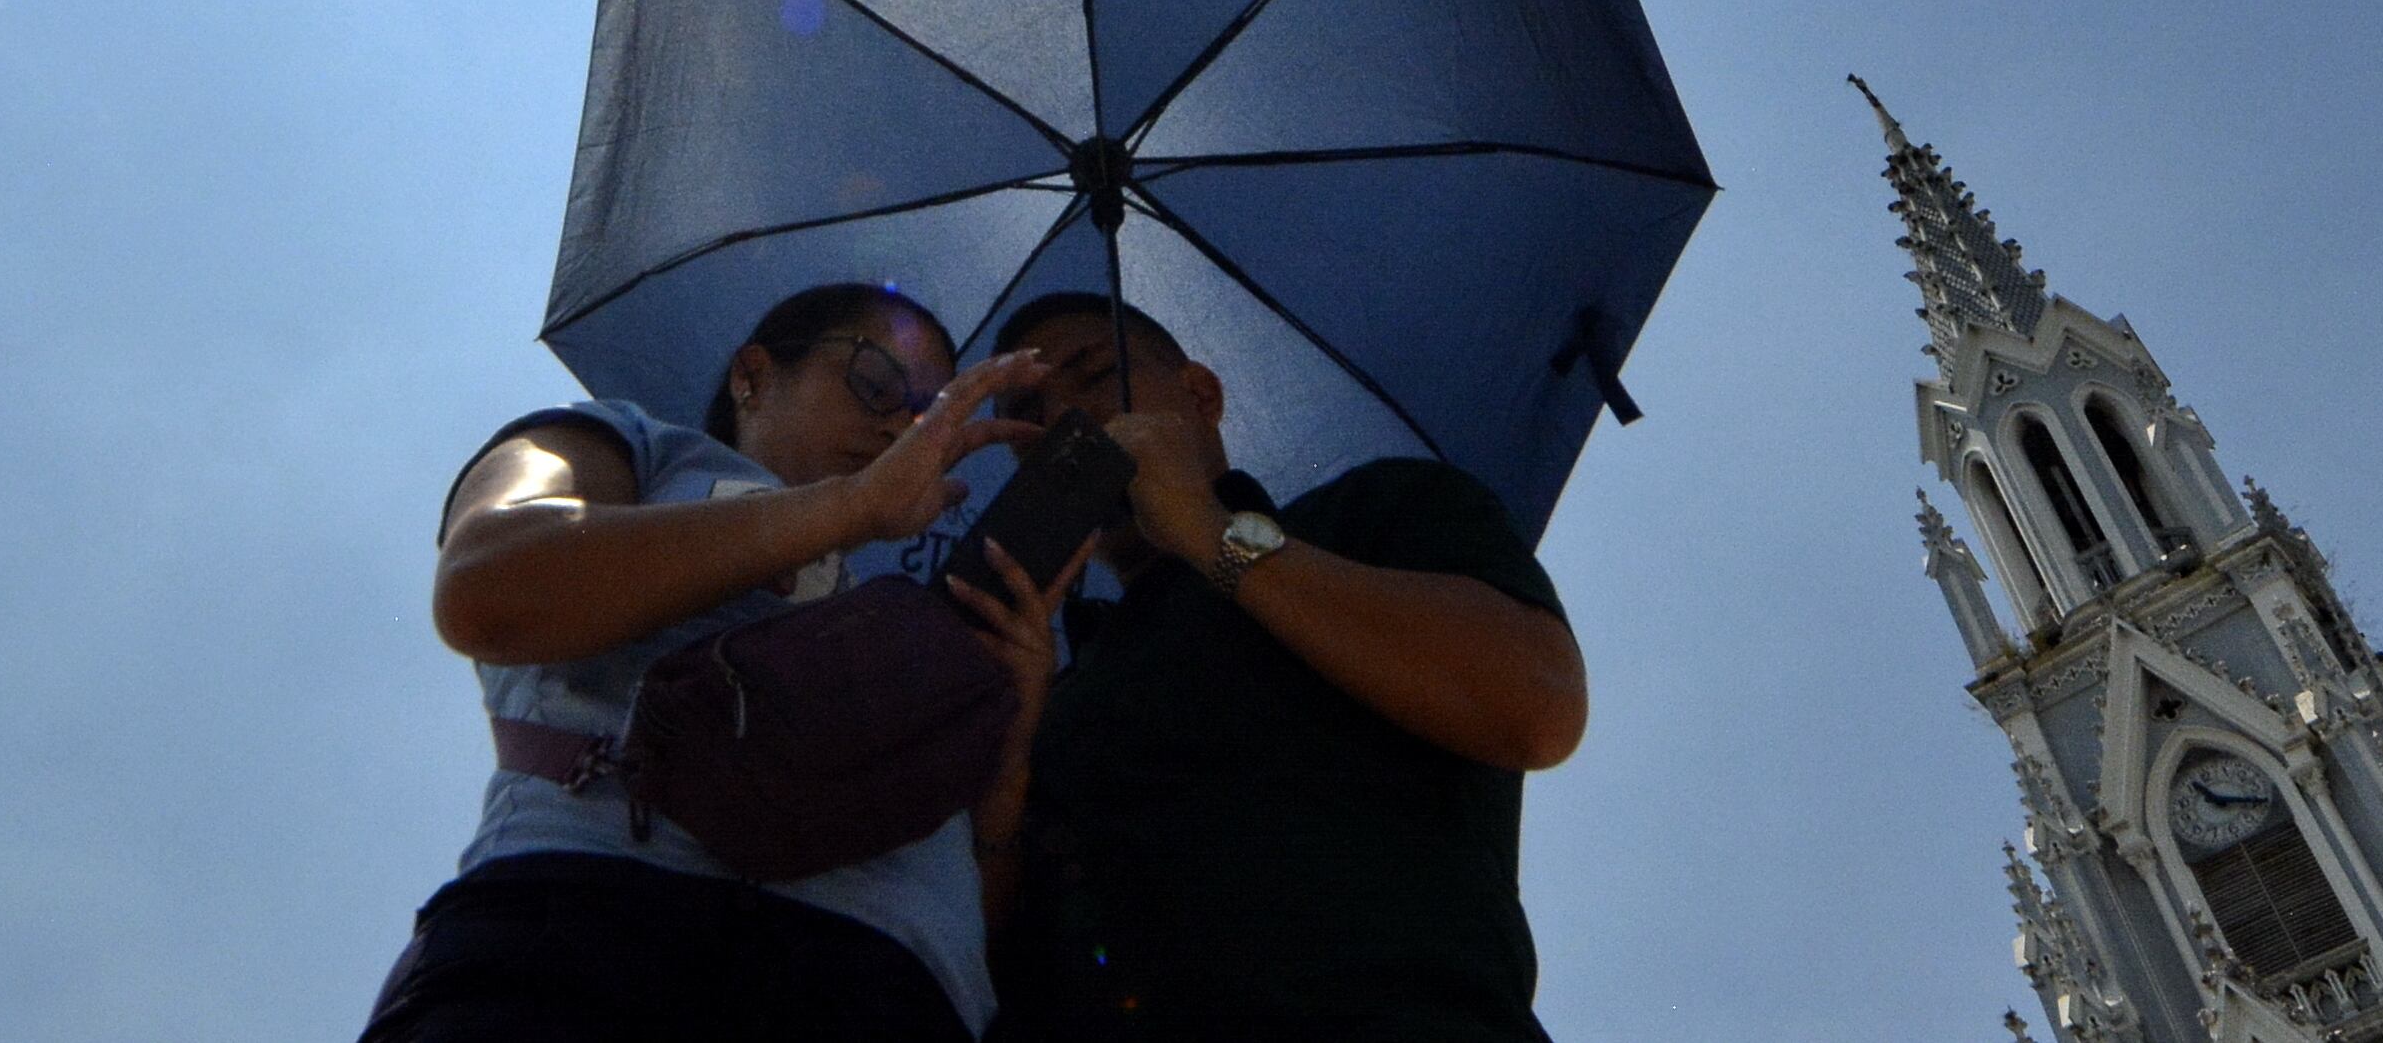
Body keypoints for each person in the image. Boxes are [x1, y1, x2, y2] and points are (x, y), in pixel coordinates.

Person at [359, 281, 1053, 1043]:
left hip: (895, 987)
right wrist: (845, 507)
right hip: (596, 929)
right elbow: (486, 582)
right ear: (752, 375)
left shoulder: (912, 609)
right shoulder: (636, 447)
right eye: (876, 383)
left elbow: (977, 921)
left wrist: (1007, 756)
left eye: (927, 416)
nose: (900, 428)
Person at [949, 293, 1590, 1043]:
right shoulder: (1045, 688)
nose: (1063, 418)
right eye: (1028, 415)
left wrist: (1210, 533)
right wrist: (1007, 766)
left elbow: (1537, 704)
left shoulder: (1370, 516)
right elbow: (973, 962)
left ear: (1199, 395)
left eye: (1094, 375)